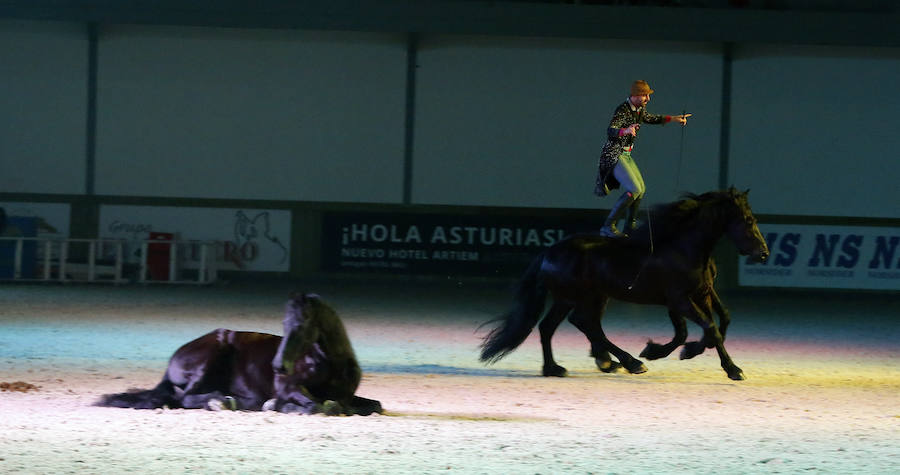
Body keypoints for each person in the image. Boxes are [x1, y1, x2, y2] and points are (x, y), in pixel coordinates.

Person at [594, 80, 690, 238]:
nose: (648, 99)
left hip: (626, 154)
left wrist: (673, 119)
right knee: (635, 189)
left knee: (641, 189)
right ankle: (608, 226)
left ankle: (629, 225)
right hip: (614, 153)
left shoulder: (639, 110)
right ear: (636, 95)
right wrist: (625, 131)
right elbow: (611, 130)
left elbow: (650, 118)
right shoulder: (623, 110)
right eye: (645, 95)